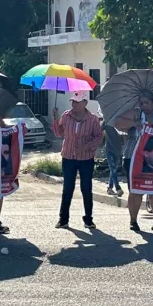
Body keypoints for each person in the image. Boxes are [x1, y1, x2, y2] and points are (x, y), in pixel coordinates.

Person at [114, 90, 153, 231]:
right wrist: (134, 123)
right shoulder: (136, 113)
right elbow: (117, 122)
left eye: (146, 102)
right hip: (133, 157)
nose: (144, 105)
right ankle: (133, 221)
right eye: (141, 103)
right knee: (135, 190)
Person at [52, 93, 103, 229]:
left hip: (86, 158)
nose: (74, 104)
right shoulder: (66, 116)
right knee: (67, 188)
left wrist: (86, 146)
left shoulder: (92, 119)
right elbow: (59, 133)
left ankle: (88, 219)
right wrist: (55, 119)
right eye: (73, 101)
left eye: (77, 102)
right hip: (68, 156)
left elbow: (99, 137)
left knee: (86, 188)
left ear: (85, 103)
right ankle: (63, 219)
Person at [103, 123, 124, 196]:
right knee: (113, 169)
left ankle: (110, 188)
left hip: (118, 150)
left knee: (114, 169)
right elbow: (98, 131)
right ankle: (118, 188)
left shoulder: (120, 120)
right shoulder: (106, 122)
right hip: (109, 149)